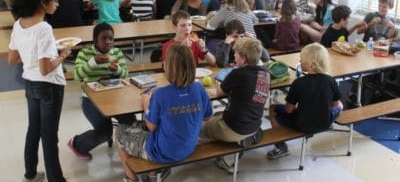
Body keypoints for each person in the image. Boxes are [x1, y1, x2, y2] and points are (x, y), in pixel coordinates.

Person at [116, 43, 213, 182]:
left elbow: (151, 126)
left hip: (162, 152)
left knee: (119, 131)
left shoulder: (161, 94)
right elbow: (207, 117)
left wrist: (146, 104)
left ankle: (131, 178)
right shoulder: (199, 88)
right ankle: (151, 172)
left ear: (168, 66)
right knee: (140, 125)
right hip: (188, 147)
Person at [8, 0, 70, 182]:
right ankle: (56, 179)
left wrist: (32, 54)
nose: (57, 4)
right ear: (43, 3)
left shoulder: (19, 24)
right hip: (49, 86)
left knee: (33, 129)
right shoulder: (43, 27)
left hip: (30, 84)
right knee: (50, 136)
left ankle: (31, 174)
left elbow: (12, 59)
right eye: (55, 0)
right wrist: (62, 56)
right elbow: (45, 69)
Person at [68, 22, 136, 160]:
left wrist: (116, 70)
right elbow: (77, 76)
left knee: (131, 122)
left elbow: (124, 74)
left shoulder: (116, 53)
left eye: (111, 39)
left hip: (114, 97)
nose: (108, 42)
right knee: (105, 132)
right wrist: (93, 62)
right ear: (95, 40)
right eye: (103, 39)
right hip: (91, 99)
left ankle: (131, 149)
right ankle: (76, 144)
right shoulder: (85, 53)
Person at [202, 37, 269, 173]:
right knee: (218, 116)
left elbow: (220, 92)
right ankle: (243, 139)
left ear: (244, 58)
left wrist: (218, 84)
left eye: (236, 54)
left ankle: (227, 159)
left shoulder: (238, 73)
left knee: (201, 128)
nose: (234, 56)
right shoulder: (266, 73)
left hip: (235, 128)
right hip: (255, 124)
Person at [266, 43, 343, 159]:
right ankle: (329, 124)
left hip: (302, 124)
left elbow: (289, 110)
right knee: (340, 104)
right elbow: (335, 105)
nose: (300, 61)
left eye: (302, 59)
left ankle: (281, 147)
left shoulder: (299, 83)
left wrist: (303, 109)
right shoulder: (331, 80)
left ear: (311, 63)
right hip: (325, 122)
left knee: (272, 108)